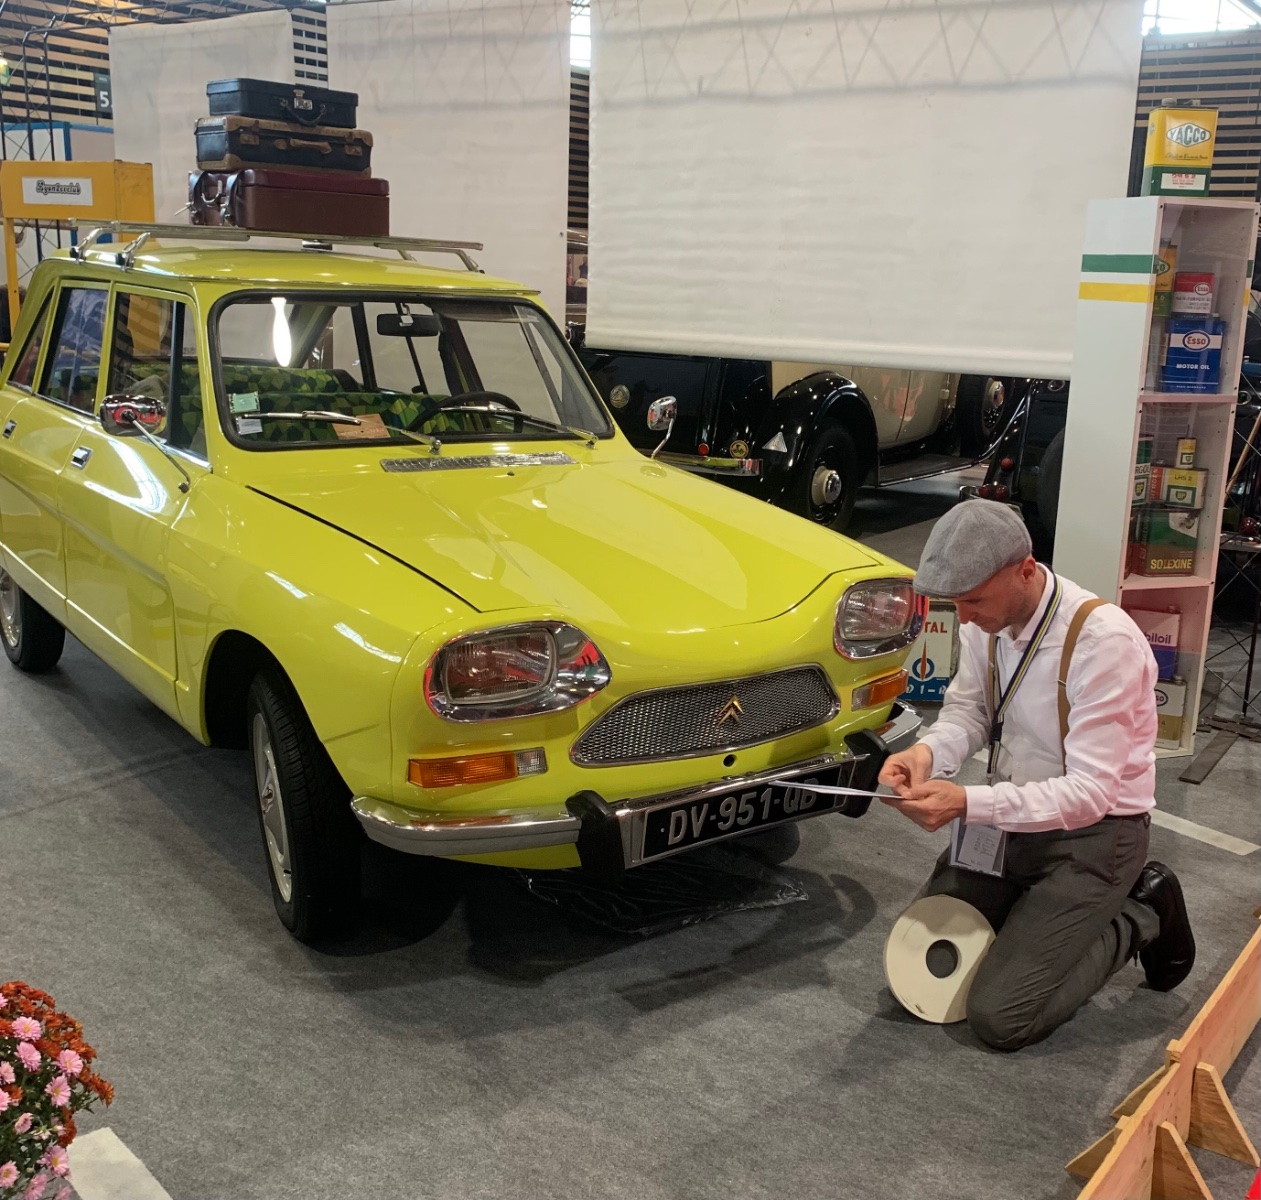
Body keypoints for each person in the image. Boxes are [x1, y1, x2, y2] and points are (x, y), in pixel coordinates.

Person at [878, 499, 1195, 1051]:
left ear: (1025, 569)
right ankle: (1040, 919)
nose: (964, 617)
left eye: (974, 600)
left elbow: (1090, 795)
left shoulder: (1104, 643)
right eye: (956, 603)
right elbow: (970, 713)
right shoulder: (986, 623)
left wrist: (966, 803)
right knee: (919, 967)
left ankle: (1141, 908)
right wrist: (926, 755)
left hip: (1096, 834)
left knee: (1001, 1018)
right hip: (1007, 821)